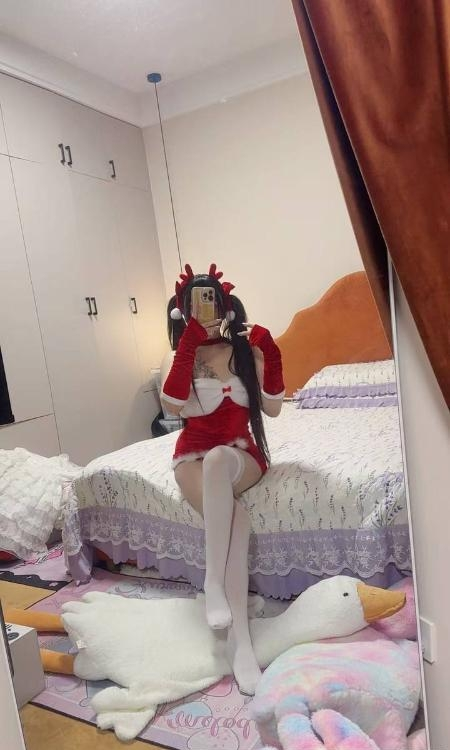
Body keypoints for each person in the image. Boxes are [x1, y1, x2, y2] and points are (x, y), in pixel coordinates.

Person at [160, 263, 284, 695]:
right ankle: (241, 644)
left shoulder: (243, 351)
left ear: (225, 303)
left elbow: (273, 409)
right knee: (238, 520)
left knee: (218, 460)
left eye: (211, 299)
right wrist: (188, 343)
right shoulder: (180, 356)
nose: (206, 308)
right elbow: (171, 405)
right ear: (183, 308)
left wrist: (271, 357)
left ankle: (213, 582)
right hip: (191, 458)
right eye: (196, 302)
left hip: (239, 454)